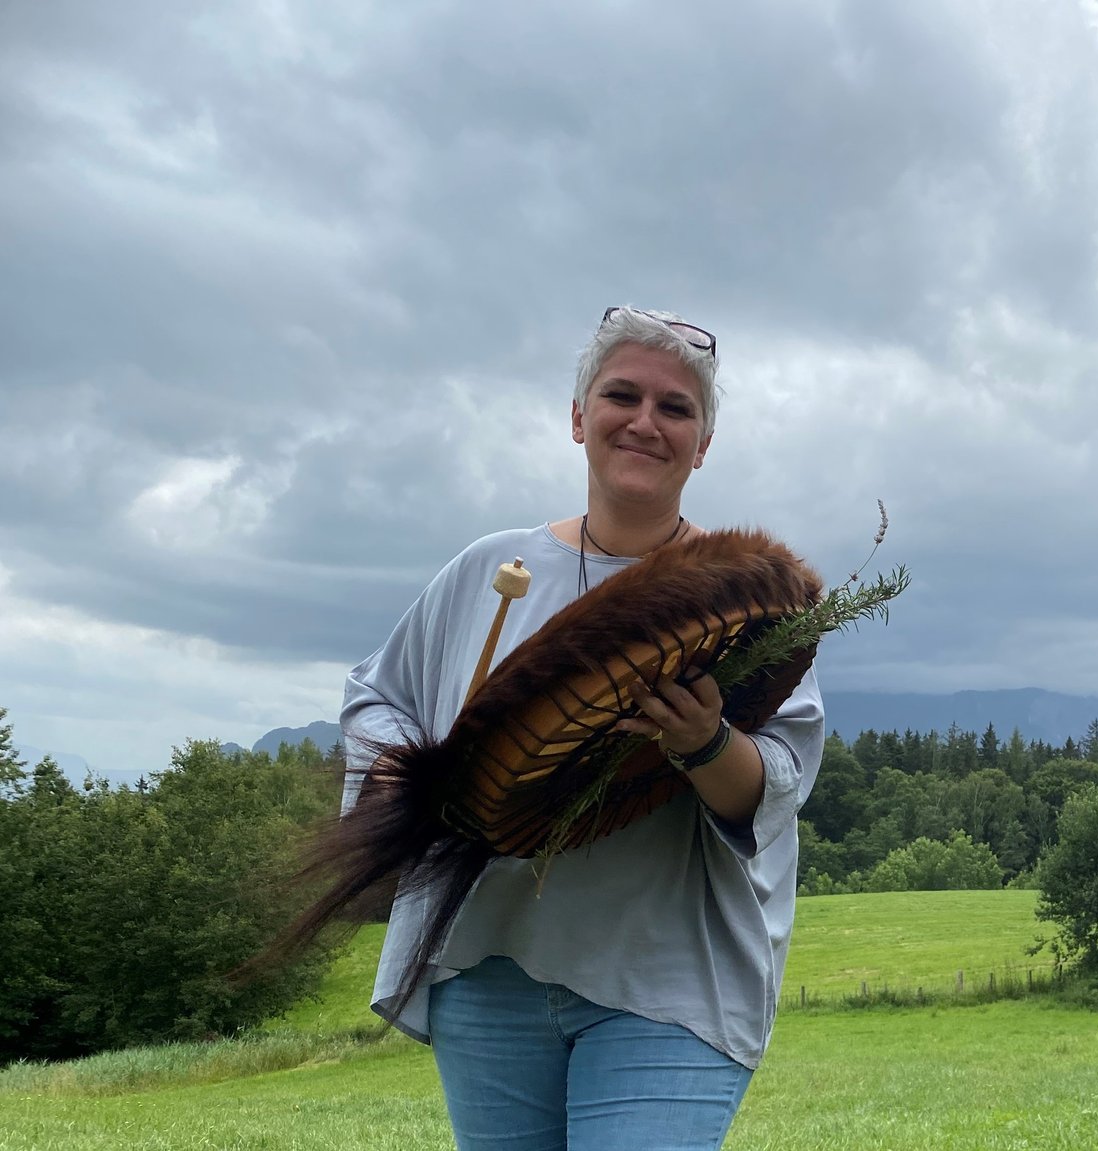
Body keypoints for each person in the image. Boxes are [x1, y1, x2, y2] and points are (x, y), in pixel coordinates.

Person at [341, 306, 824, 1150]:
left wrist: (703, 741)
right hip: (491, 965)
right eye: (622, 395)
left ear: (703, 442)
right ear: (578, 417)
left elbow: (776, 779)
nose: (645, 421)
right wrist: (401, 768)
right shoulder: (491, 570)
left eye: (676, 408)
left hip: (670, 976)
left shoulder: (747, 599)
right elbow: (377, 699)